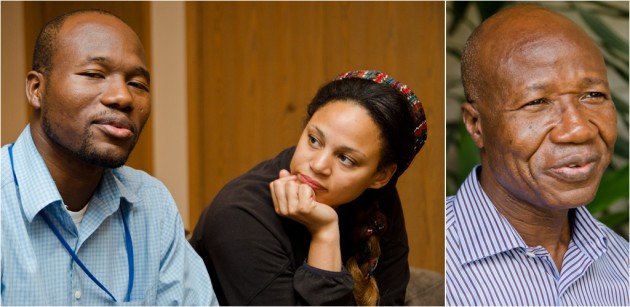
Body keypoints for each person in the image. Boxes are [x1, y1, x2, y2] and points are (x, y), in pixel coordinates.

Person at [1, 9, 218, 305]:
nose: (123, 97)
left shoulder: (151, 204)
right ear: (37, 89)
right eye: (94, 74)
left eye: (137, 84)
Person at [190, 70, 428, 305]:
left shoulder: (377, 199)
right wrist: (324, 234)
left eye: (346, 158)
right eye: (314, 140)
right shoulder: (239, 218)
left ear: (381, 176)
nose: (317, 165)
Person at [446, 4, 629, 306]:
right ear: (476, 125)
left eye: (593, 96)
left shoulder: (621, 264)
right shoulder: (433, 263)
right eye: (537, 102)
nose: (578, 130)